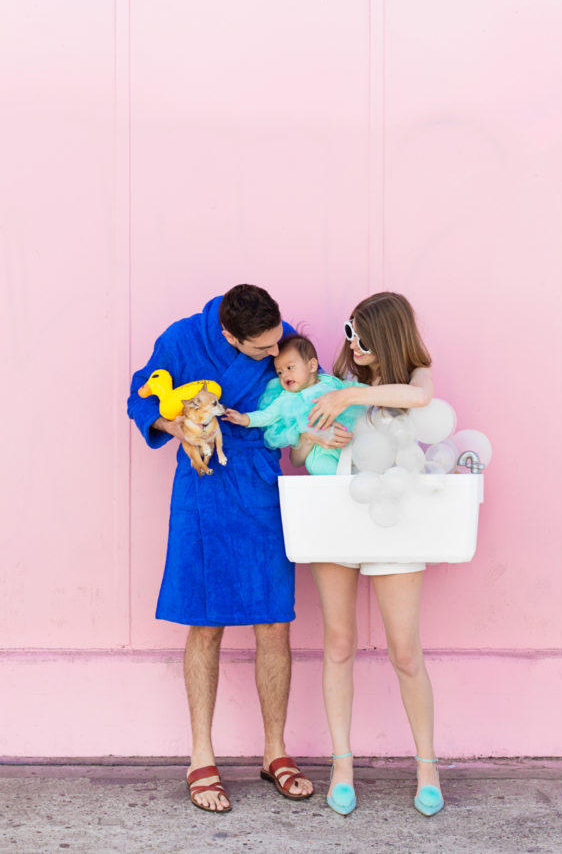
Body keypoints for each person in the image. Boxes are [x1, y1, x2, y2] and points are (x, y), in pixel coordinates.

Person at [127, 285, 314, 813]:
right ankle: (201, 756)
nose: (275, 356)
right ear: (230, 335)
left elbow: (312, 389)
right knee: (204, 624)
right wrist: (175, 427)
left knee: (275, 621)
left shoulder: (281, 341)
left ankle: (275, 751)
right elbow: (140, 396)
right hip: (204, 487)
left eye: (278, 343)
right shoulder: (182, 339)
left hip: (258, 483)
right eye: (262, 350)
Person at [290, 291, 444, 817]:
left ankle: (427, 768)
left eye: (362, 335)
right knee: (337, 642)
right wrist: (315, 435)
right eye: (349, 332)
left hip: (396, 523)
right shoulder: (334, 386)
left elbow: (419, 400)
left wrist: (351, 399)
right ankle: (342, 765)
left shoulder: (413, 375)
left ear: (388, 336)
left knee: (405, 650)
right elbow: (299, 452)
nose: (352, 344)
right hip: (338, 516)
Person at [224, 333, 365, 475]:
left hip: (350, 438)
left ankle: (362, 476)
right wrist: (244, 419)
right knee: (315, 464)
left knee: (367, 445)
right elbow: (267, 415)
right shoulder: (286, 398)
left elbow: (350, 390)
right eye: (279, 372)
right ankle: (345, 487)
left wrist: (369, 391)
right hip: (322, 450)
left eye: (290, 368)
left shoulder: (329, 381)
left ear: (312, 365)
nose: (284, 375)